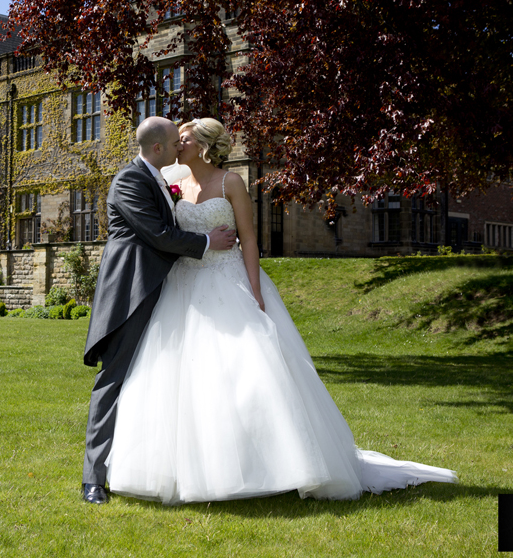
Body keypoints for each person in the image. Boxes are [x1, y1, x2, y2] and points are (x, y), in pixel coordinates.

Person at [106, 118, 457, 505]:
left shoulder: (231, 183)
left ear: (201, 145)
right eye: (175, 141)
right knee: (181, 376)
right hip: (183, 286)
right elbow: (166, 234)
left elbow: (249, 238)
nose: (177, 145)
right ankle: (189, 466)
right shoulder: (173, 183)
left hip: (226, 281)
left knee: (245, 376)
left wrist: (254, 290)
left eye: (183, 140)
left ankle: (271, 462)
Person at [81, 116, 237, 504]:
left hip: (165, 290)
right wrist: (206, 241)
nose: (180, 148)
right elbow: (158, 235)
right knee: (114, 380)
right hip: (132, 293)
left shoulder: (161, 180)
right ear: (158, 150)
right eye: (174, 143)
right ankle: (93, 480)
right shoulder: (129, 180)